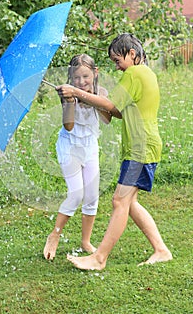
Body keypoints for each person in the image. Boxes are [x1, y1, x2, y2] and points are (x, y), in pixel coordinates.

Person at [56, 33, 173, 270]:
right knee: (129, 203)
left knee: (120, 200)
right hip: (143, 147)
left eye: (117, 60)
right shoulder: (146, 73)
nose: (117, 67)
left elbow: (111, 106)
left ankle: (99, 258)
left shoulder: (134, 73)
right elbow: (118, 112)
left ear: (132, 53)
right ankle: (161, 250)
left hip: (140, 149)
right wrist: (85, 99)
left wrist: (77, 93)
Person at [43, 54, 112, 260]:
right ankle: (54, 236)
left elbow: (108, 119)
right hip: (69, 146)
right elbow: (69, 126)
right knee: (76, 194)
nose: (81, 82)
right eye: (76, 78)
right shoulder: (67, 95)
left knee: (91, 196)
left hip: (90, 146)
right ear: (70, 78)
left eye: (85, 76)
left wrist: (90, 98)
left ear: (95, 73)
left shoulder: (101, 93)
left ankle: (85, 241)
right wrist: (71, 102)